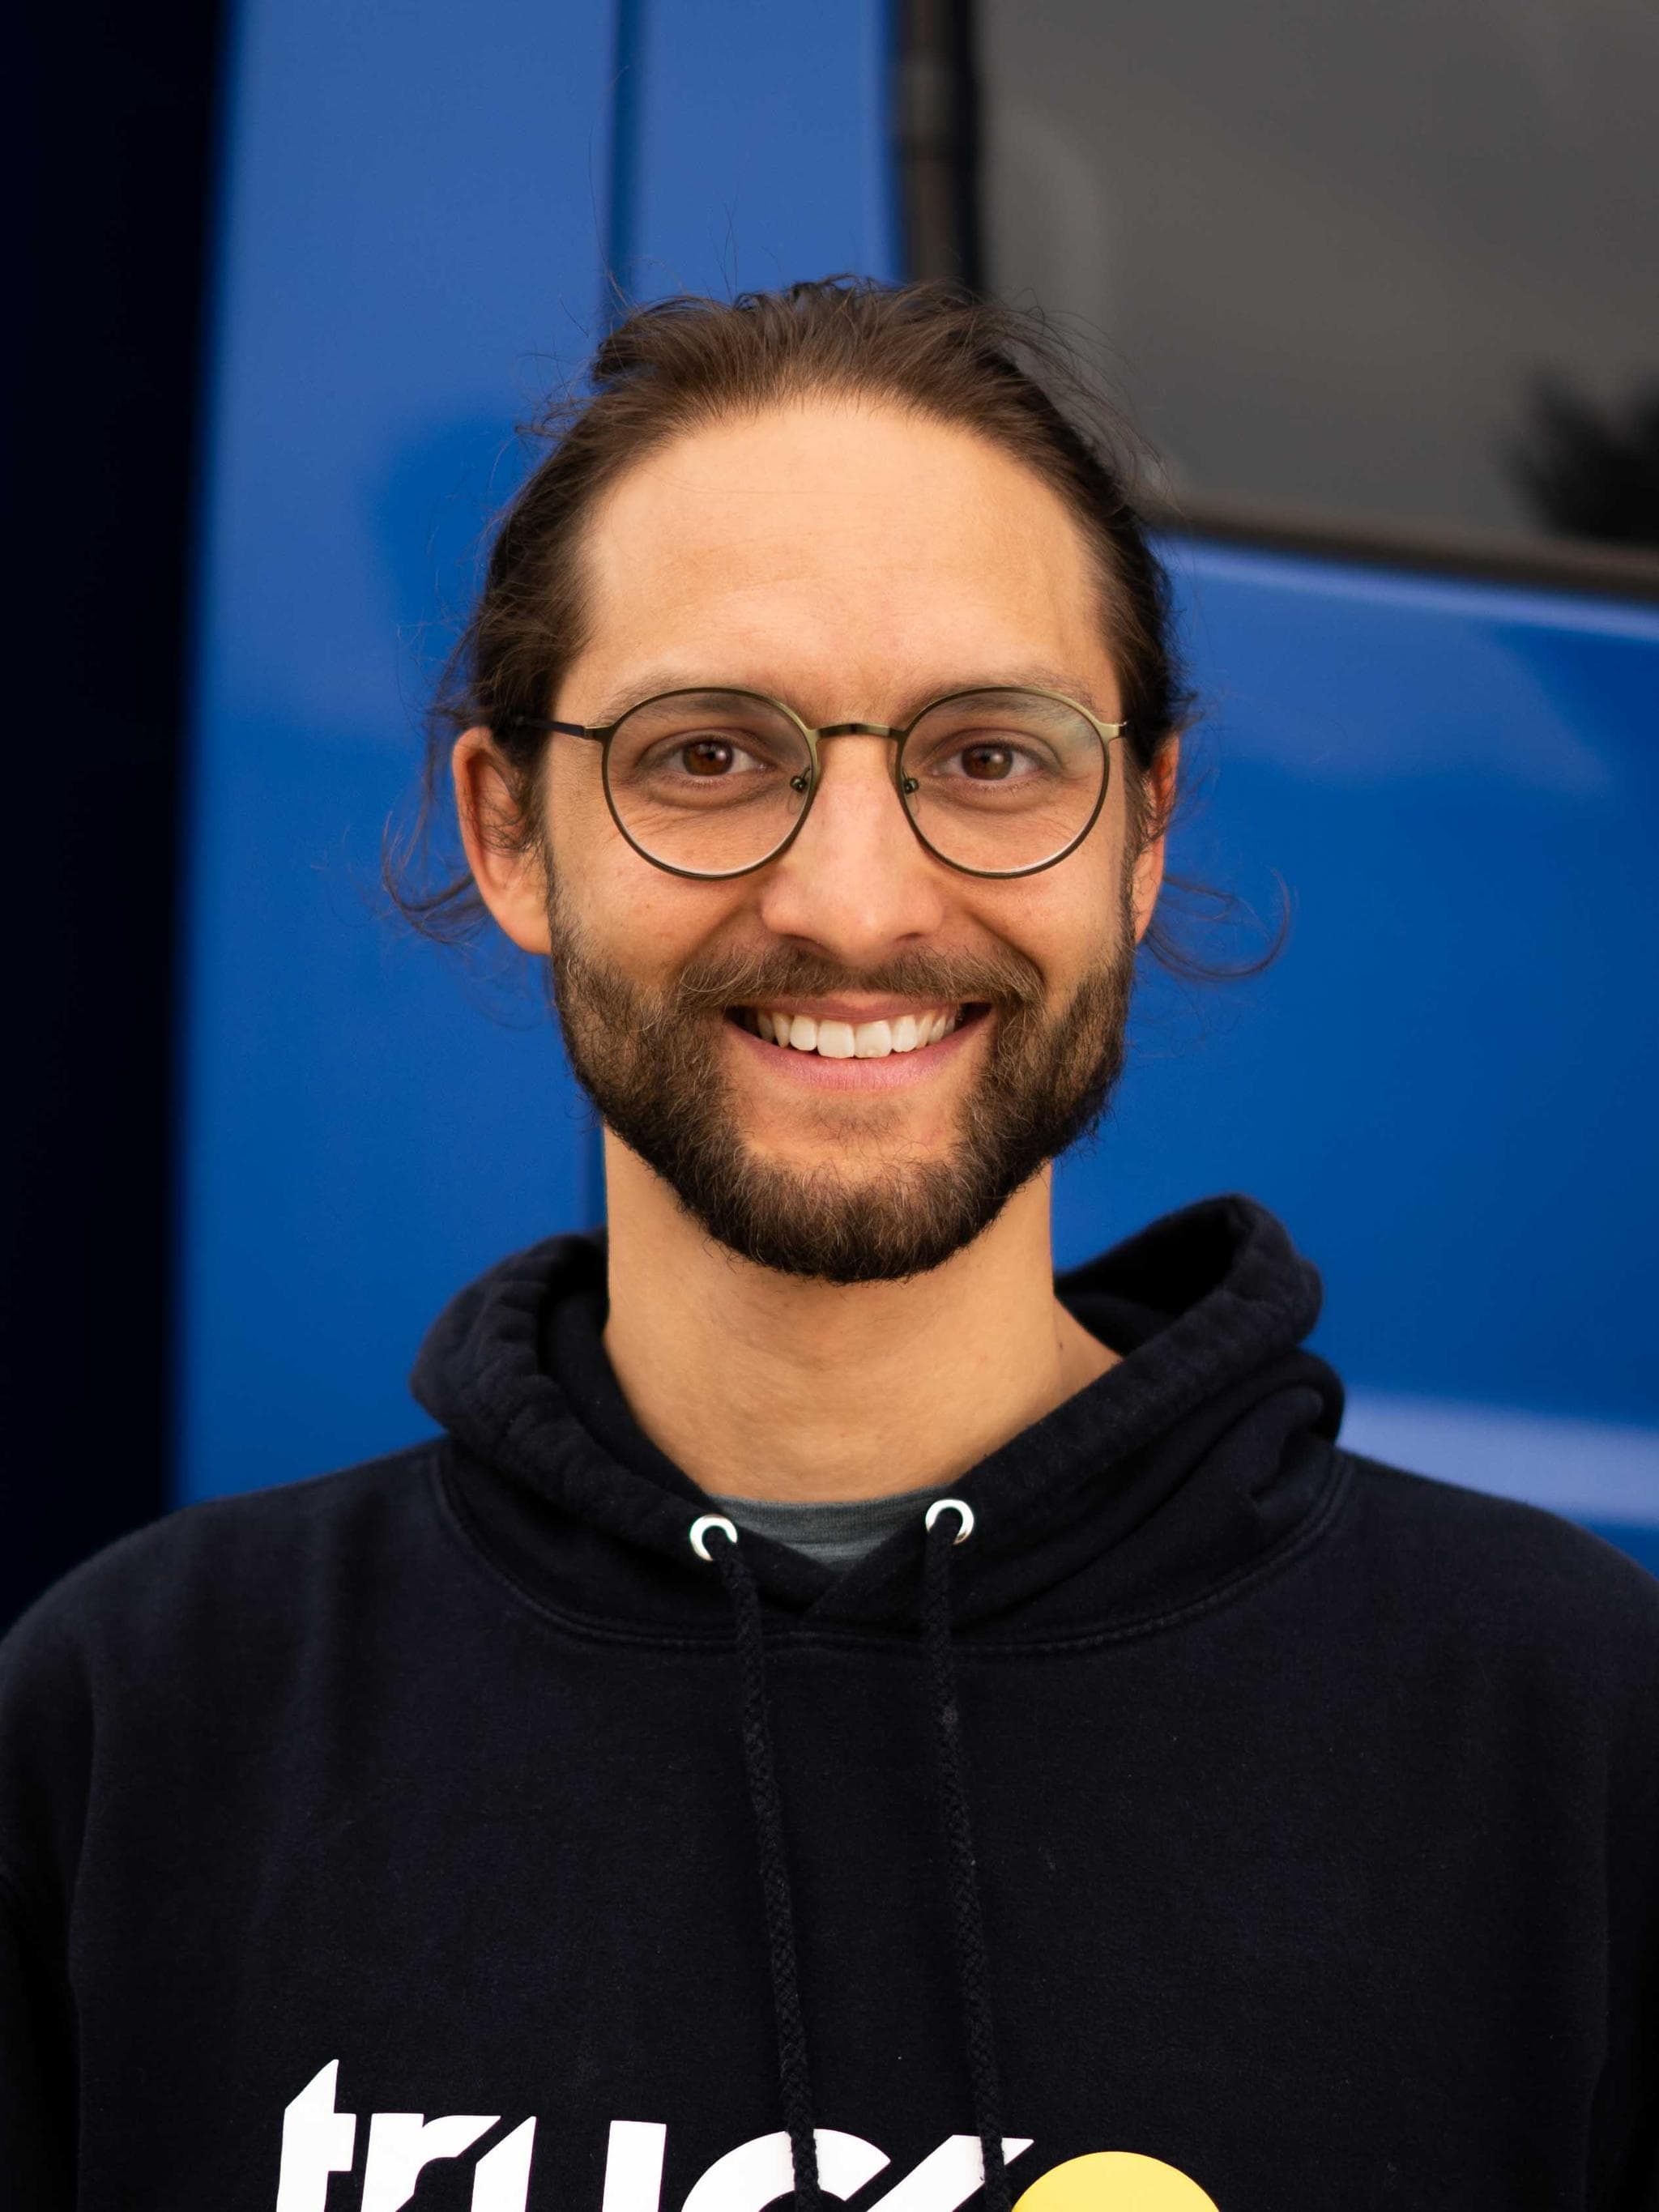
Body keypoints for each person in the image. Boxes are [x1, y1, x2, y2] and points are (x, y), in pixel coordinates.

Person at [2, 278, 1655, 2212]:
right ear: (509, 831)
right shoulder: (142, 1721)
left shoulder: (1565, 1734)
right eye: (709, 755)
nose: (855, 902)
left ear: (1140, 833)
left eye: (988, 757)